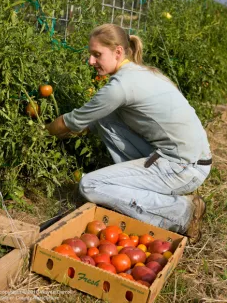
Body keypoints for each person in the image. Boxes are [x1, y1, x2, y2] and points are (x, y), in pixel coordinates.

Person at [46, 23, 212, 244]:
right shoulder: (140, 73)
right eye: (90, 55)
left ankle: (182, 213)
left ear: (118, 52)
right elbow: (90, 122)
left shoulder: (120, 87)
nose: (91, 61)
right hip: (185, 157)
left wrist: (41, 133)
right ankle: (142, 186)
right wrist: (81, 127)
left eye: (97, 55)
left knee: (90, 185)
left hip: (183, 167)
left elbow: (71, 121)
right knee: (103, 117)